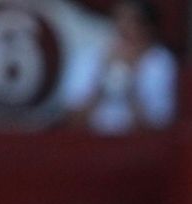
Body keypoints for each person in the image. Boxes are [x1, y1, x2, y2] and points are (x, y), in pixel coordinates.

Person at [63, 0, 176, 134]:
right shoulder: (90, 56)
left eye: (132, 21)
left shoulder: (159, 62)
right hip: (93, 140)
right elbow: (73, 119)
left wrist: (132, 78)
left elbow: (156, 126)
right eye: (119, 20)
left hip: (138, 144)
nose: (124, 28)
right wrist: (103, 74)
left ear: (148, 27)